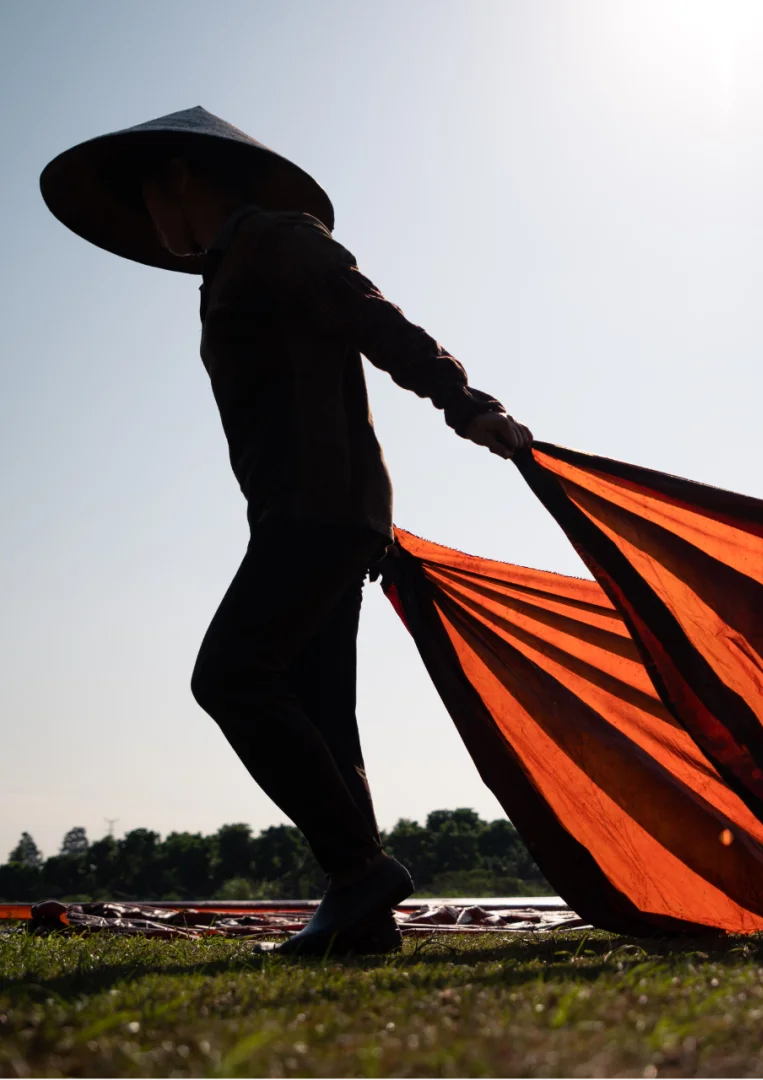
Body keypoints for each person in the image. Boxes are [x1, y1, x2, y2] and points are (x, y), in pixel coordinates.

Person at [40, 106, 533, 955]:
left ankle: (358, 872)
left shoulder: (275, 239)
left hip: (320, 510)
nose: (152, 224)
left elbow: (375, 321)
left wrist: (466, 403)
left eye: (146, 199)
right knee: (320, 715)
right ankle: (364, 922)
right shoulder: (229, 269)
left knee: (230, 677)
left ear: (179, 180)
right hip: (307, 514)